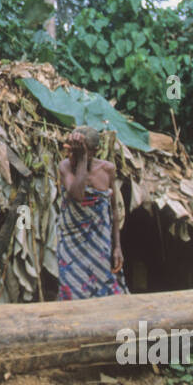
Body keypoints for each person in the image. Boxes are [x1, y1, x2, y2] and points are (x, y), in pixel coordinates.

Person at [56, 127, 128, 299]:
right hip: (71, 245)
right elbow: (78, 195)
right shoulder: (65, 166)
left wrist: (117, 246)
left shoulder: (107, 169)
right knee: (73, 294)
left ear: (96, 151)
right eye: (72, 151)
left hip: (99, 244)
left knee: (104, 294)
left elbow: (114, 211)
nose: (73, 156)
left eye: (81, 152)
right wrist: (81, 160)